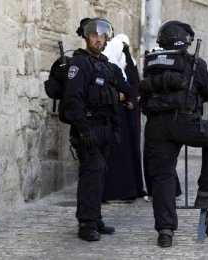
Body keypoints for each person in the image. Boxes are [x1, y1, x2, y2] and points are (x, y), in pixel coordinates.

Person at [139, 20, 208, 247]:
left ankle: (165, 231)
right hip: (183, 121)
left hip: (155, 125)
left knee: (162, 178)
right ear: (185, 42)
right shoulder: (192, 62)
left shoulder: (152, 62)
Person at [63, 17, 129, 242]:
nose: (98, 39)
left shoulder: (107, 66)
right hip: (88, 128)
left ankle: (95, 217)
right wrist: (82, 130)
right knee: (92, 173)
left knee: (100, 174)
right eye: (94, 35)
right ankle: (86, 223)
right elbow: (73, 100)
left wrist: (128, 95)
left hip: (106, 128)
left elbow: (126, 86)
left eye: (102, 36)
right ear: (86, 37)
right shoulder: (79, 64)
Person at [101, 37, 141, 202]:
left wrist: (129, 98)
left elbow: (129, 90)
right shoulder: (109, 68)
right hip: (110, 118)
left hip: (116, 118)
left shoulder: (113, 68)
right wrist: (119, 96)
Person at [114, 33, 147, 198]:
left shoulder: (129, 63)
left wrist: (133, 98)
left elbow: (133, 84)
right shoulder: (116, 64)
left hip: (131, 109)